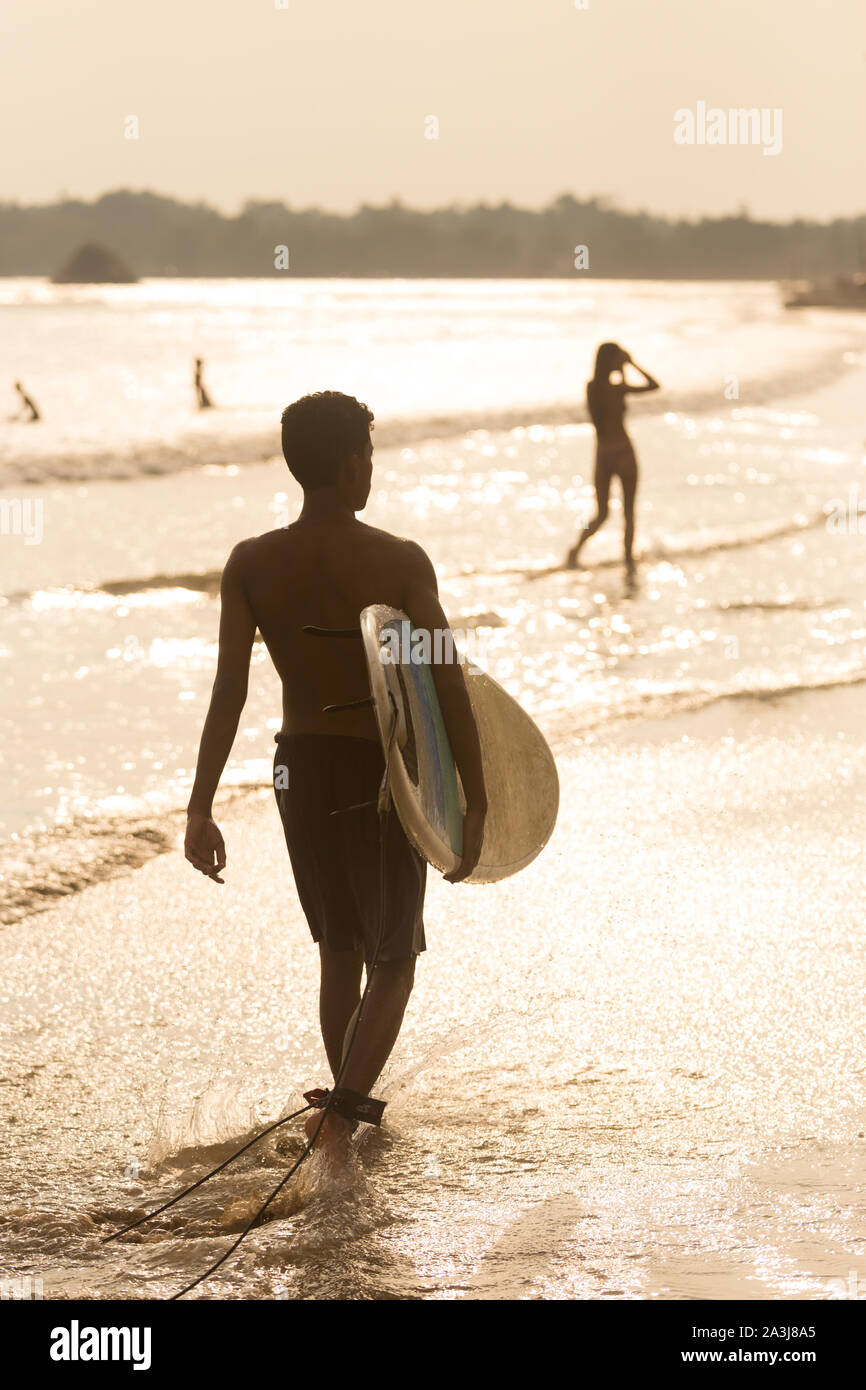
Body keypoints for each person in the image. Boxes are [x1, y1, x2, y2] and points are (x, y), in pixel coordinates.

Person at [184, 391, 487, 1157]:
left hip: (298, 769)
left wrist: (200, 807)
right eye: (371, 458)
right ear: (353, 463)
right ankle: (343, 1116)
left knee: (338, 951)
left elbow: (229, 689)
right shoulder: (398, 559)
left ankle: (341, 1115)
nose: (372, 472)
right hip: (375, 772)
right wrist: (475, 801)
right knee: (393, 958)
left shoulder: (251, 563)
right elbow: (443, 678)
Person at [565, 343, 659, 574]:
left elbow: (653, 386)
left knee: (602, 514)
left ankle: (576, 551)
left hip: (604, 454)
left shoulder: (593, 388)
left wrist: (624, 367)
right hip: (622, 452)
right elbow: (653, 385)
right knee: (626, 513)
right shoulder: (615, 388)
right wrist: (630, 365)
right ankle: (627, 559)